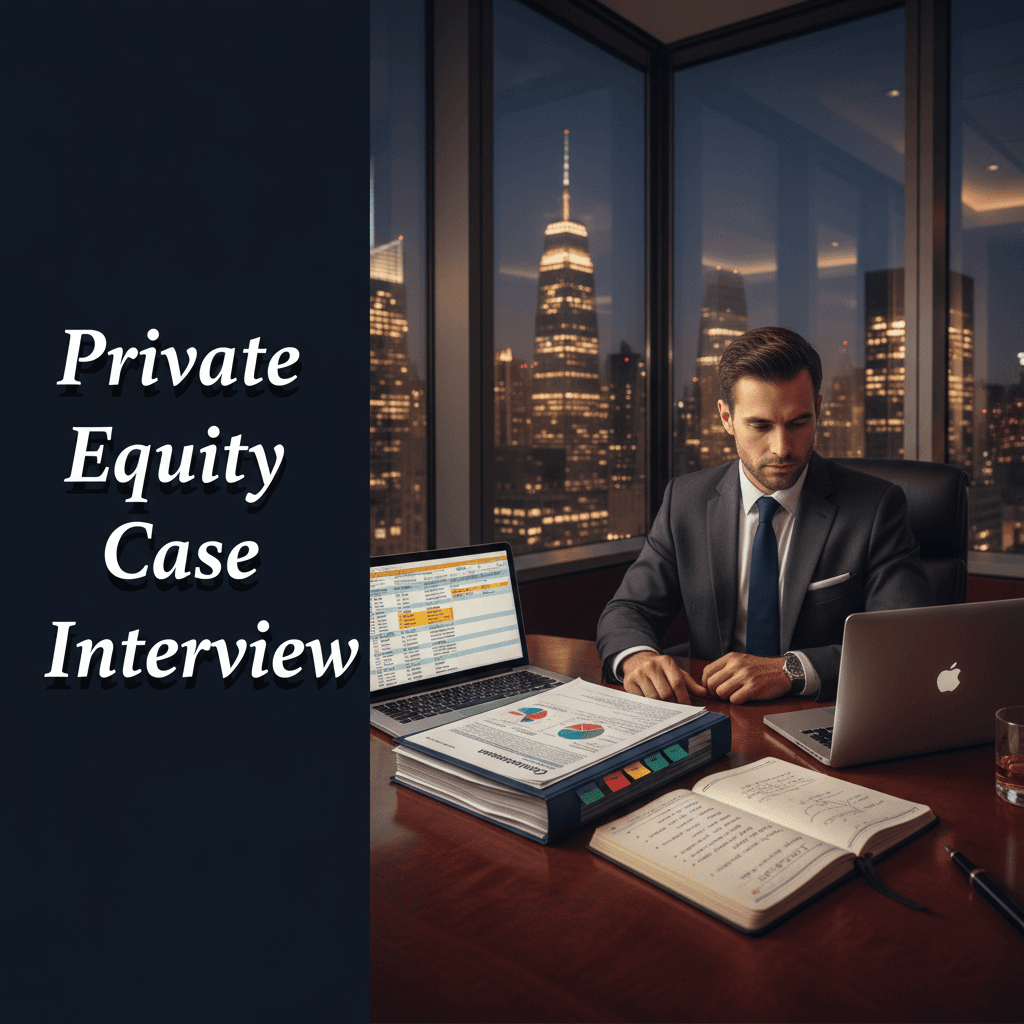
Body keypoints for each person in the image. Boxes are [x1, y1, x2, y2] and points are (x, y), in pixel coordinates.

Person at [596, 326, 933, 705]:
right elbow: (628, 610)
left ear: (818, 410)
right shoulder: (685, 501)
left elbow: (903, 640)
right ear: (726, 418)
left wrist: (791, 669)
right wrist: (637, 657)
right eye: (760, 425)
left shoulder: (876, 507)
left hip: (822, 717)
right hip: (717, 714)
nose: (782, 447)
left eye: (798, 423)